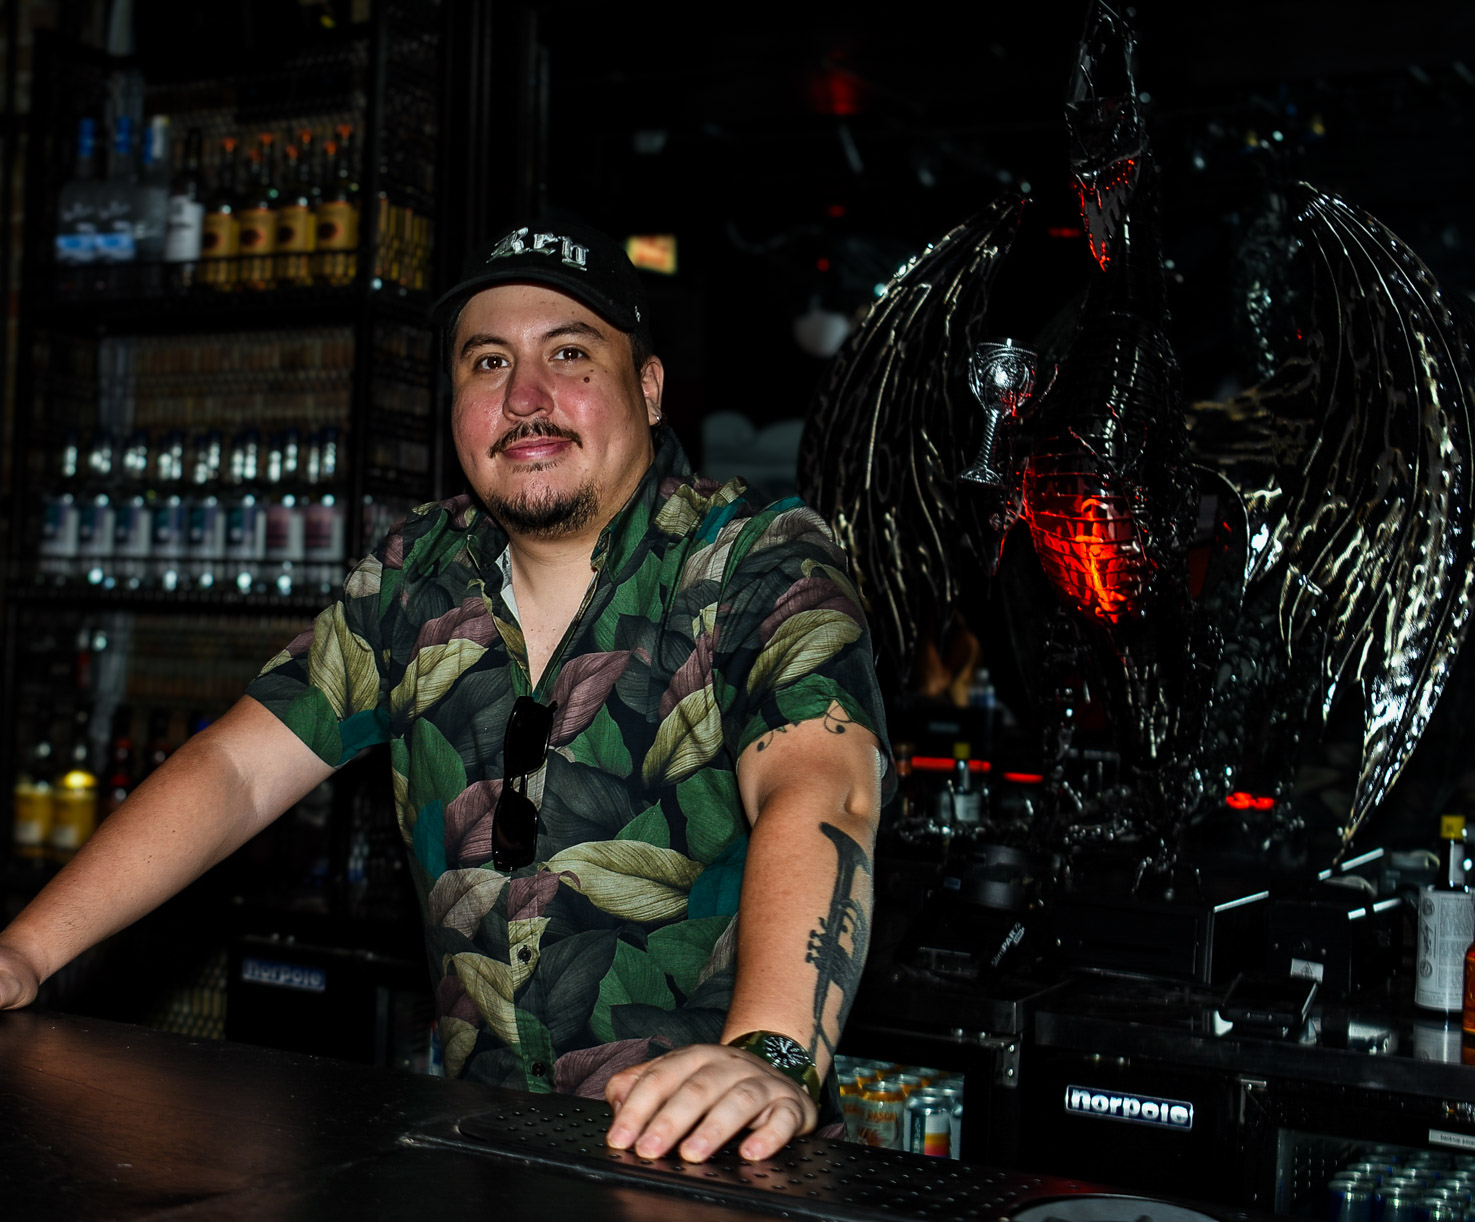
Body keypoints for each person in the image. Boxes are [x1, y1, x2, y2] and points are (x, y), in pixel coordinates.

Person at [0, 218, 890, 1164]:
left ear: (650, 387)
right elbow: (236, 770)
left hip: (716, 1158)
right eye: (489, 362)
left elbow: (822, 785)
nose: (526, 397)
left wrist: (772, 1052)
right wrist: (24, 952)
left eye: (571, 355)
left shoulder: (755, 561)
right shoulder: (413, 577)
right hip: (482, 1150)